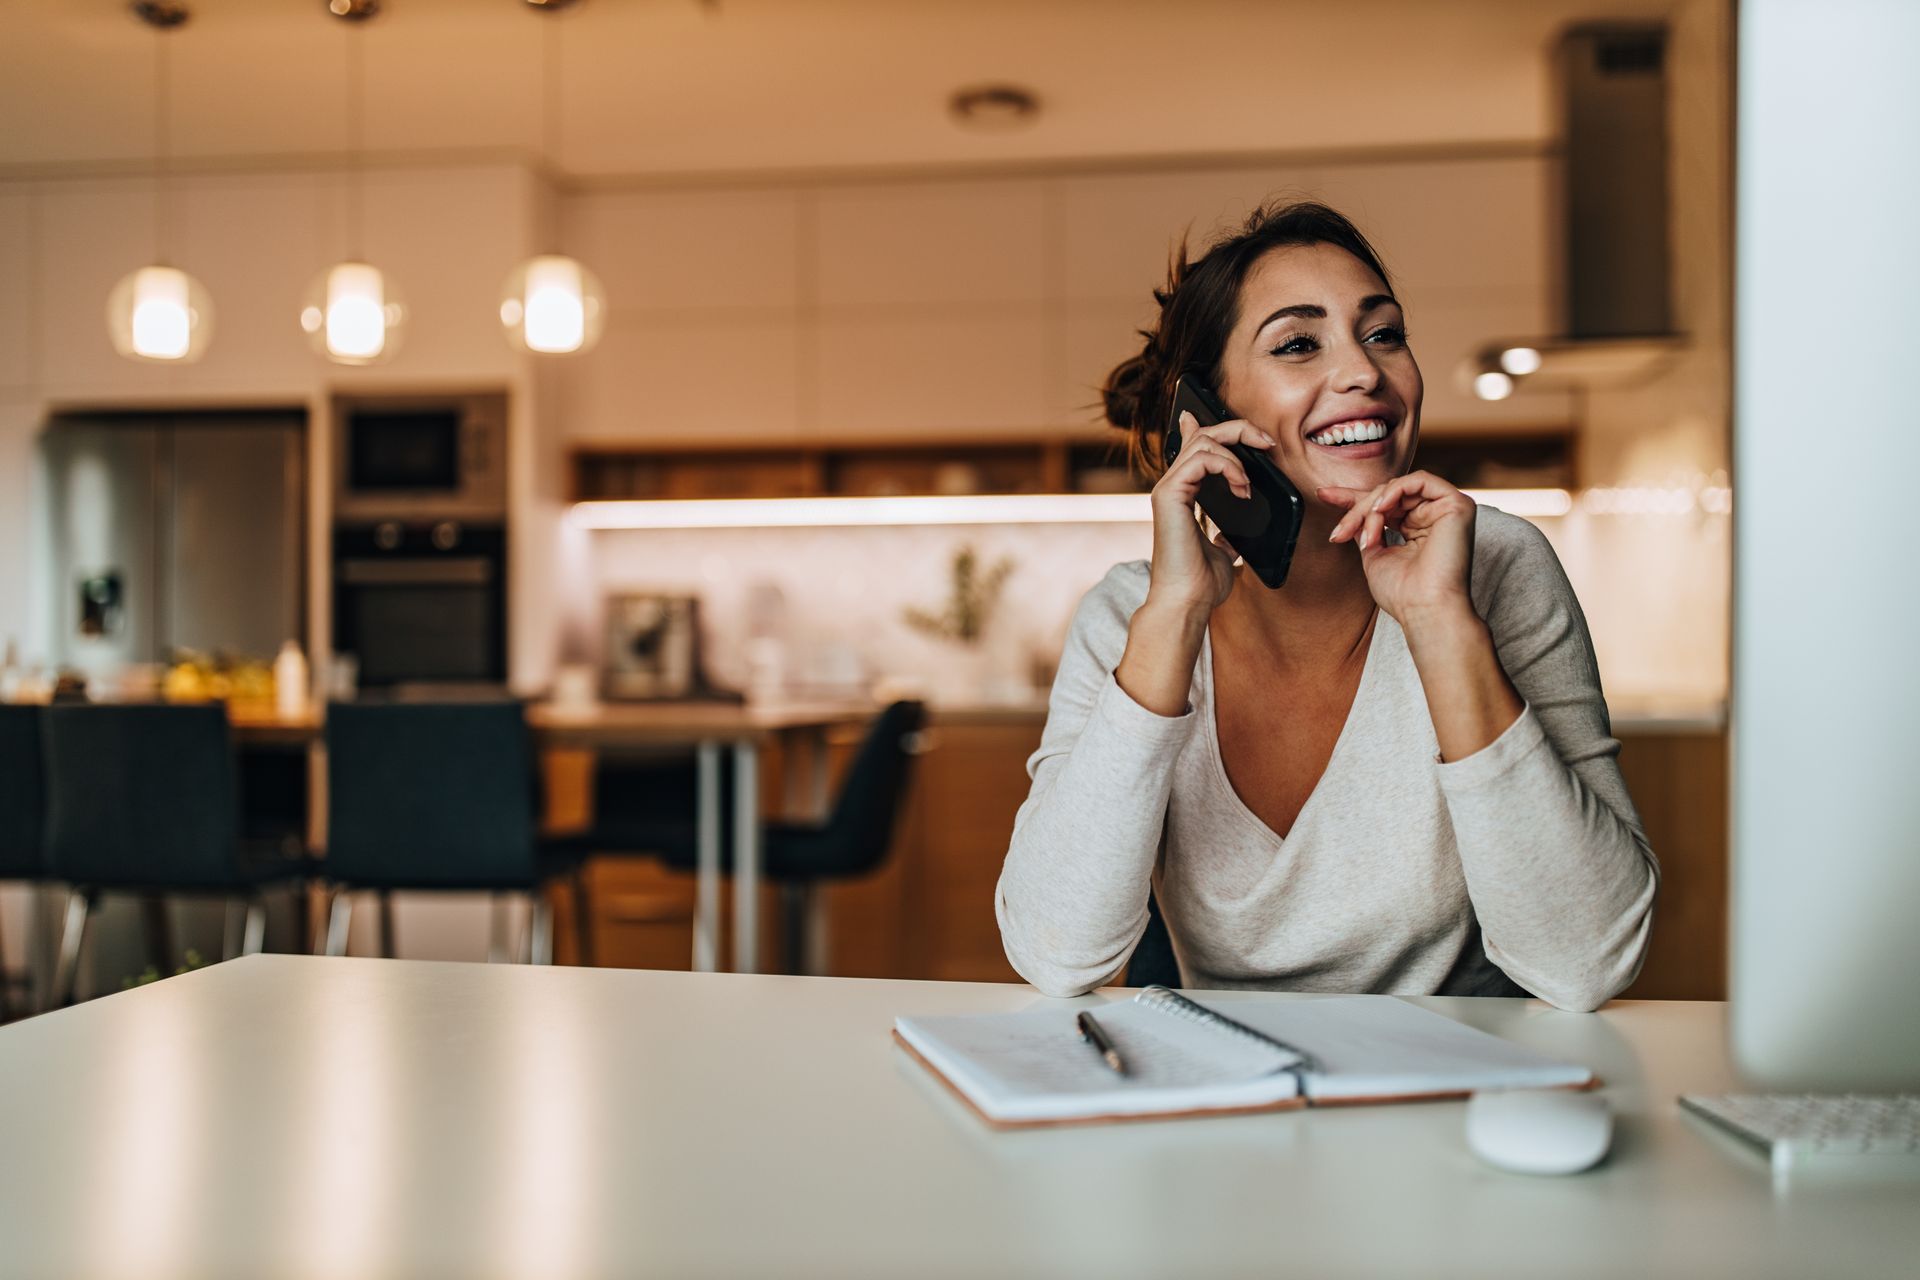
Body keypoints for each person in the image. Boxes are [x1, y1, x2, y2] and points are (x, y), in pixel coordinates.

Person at [995, 201, 1657, 1012]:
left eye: (1383, 333)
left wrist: (1442, 624)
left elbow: (1589, 961)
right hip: (1220, 1092)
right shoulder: (1133, 614)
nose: (1365, 373)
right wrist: (1173, 614)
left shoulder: (1496, 567)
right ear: (1203, 412)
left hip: (1447, 1091)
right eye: (1299, 344)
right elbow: (1055, 953)